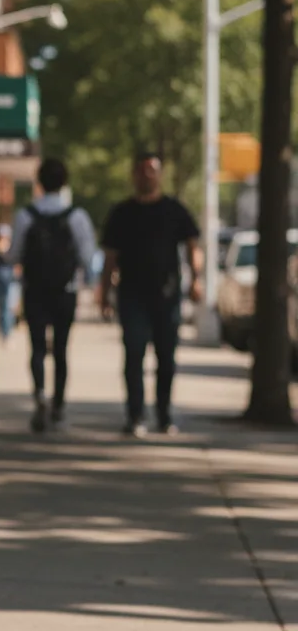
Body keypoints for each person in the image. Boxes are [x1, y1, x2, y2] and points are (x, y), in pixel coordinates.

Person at [100, 151, 201, 437]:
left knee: (166, 359)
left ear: (160, 174)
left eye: (152, 170)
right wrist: (105, 293)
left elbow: (193, 245)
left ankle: (165, 415)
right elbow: (110, 257)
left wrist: (196, 280)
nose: (146, 175)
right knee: (134, 356)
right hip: (131, 296)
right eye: (141, 170)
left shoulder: (174, 210)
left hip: (167, 296)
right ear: (134, 175)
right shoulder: (122, 213)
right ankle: (135, 416)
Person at [8, 158, 96, 431]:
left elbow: (13, 255)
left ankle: (39, 397)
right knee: (60, 349)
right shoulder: (77, 217)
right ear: (65, 182)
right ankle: (58, 404)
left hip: (34, 290)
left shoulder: (26, 216)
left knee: (36, 348)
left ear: (39, 182)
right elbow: (88, 257)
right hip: (64, 292)